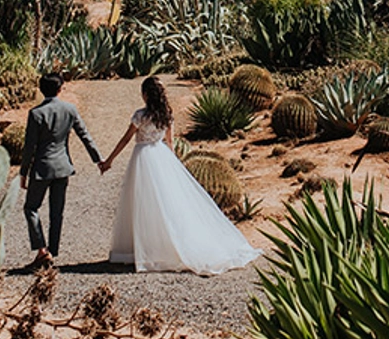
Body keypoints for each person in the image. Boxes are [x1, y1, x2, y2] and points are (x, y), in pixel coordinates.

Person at [98, 76, 261, 275]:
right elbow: (170, 143)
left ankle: (140, 249)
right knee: (167, 203)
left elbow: (125, 140)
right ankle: (162, 246)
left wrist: (109, 160)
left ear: (146, 94)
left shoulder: (140, 115)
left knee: (142, 203)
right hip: (161, 156)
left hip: (142, 157)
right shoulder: (167, 115)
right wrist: (172, 165)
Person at [20, 73, 107, 267]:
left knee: (31, 207)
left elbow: (29, 147)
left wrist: (23, 172)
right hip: (62, 167)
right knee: (56, 212)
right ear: (60, 89)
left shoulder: (36, 114)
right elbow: (85, 135)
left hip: (42, 168)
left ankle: (42, 250)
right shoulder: (70, 109)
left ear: (41, 90)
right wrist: (98, 159)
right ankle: (51, 251)